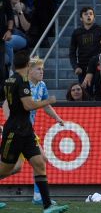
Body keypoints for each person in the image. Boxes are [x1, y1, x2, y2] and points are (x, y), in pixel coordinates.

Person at [0, 50, 69, 212]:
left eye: (42, 69)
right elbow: (7, 105)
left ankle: (43, 202)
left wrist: (57, 118)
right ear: (29, 70)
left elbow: (45, 105)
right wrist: (9, 122)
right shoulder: (21, 83)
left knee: (38, 161)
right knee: (12, 167)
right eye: (38, 69)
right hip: (17, 130)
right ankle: (41, 199)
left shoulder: (42, 85)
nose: (41, 71)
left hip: (27, 131)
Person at [69, 7, 101, 83]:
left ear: (94, 17)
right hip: (83, 68)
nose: (88, 16)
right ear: (81, 18)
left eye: (91, 14)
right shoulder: (76, 32)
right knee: (85, 93)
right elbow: (72, 53)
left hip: (99, 66)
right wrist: (76, 67)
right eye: (86, 14)